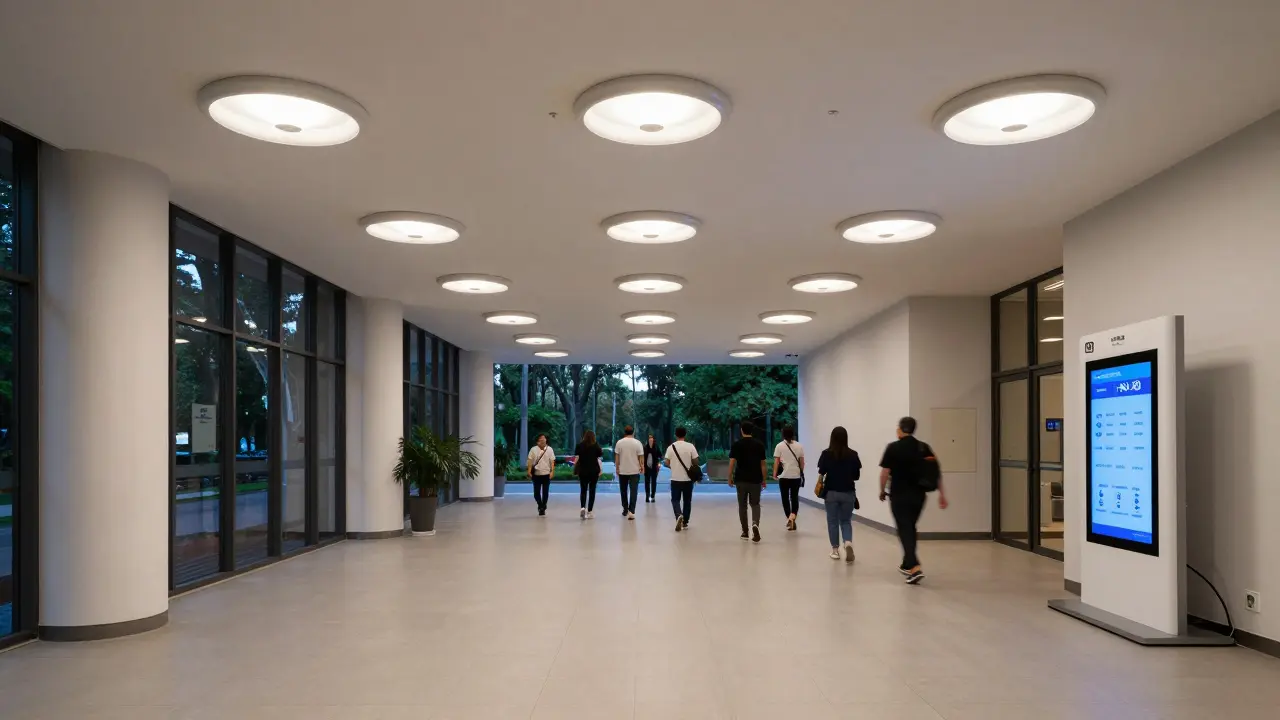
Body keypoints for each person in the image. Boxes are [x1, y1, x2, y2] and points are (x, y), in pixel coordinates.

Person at [879, 416, 948, 584]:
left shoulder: (893, 448)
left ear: (901, 430)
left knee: (905, 529)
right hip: (918, 496)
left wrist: (882, 490)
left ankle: (914, 567)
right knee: (909, 527)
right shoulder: (923, 447)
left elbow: (885, 472)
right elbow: (935, 471)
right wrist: (942, 494)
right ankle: (906, 563)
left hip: (899, 495)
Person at [817, 426, 861, 562]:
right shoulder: (853, 454)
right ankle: (847, 542)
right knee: (846, 521)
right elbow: (856, 476)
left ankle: (835, 551)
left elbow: (821, 472)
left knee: (832, 521)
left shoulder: (826, 454)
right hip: (848, 493)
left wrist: (819, 484)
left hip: (831, 493)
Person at [728, 421, 767, 543]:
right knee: (755, 504)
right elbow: (763, 465)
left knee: (742, 506)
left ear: (741, 431)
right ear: (752, 431)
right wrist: (764, 479)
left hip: (741, 479)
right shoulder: (759, 445)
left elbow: (732, 463)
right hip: (755, 479)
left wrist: (729, 477)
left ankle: (745, 532)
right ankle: (755, 523)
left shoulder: (737, 445)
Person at [663, 427, 700, 532]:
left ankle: (679, 515)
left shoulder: (671, 447)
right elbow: (696, 461)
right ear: (685, 434)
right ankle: (685, 522)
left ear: (675, 435)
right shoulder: (690, 446)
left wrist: (673, 466)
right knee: (687, 501)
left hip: (675, 478)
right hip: (688, 479)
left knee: (675, 500)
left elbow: (666, 462)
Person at [772, 426, 805, 532]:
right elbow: (802, 462)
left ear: (783, 434)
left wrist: (774, 474)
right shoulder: (799, 446)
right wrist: (800, 472)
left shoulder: (779, 446)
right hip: (795, 476)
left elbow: (777, 462)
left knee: (785, 498)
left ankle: (789, 518)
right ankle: (793, 516)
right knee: (794, 497)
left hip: (784, 477)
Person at [614, 426, 644, 519]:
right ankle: (632, 511)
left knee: (623, 491)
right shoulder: (638, 443)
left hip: (623, 470)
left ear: (625, 432)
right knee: (634, 491)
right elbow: (641, 457)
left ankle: (625, 509)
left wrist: (617, 468)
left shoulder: (619, 442)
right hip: (635, 470)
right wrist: (642, 466)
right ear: (633, 432)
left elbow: (617, 457)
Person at [574, 430, 603, 519]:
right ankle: (590, 511)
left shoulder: (579, 446)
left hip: (583, 471)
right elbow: (600, 454)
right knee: (592, 490)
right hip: (594, 471)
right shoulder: (596, 445)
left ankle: (583, 507)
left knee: (583, 490)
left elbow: (577, 456)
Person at [526, 434, 555, 516]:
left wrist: (552, 471)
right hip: (536, 474)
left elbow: (552, 461)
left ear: (546, 440)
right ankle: (540, 505)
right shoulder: (533, 449)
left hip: (546, 474)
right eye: (540, 439)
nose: (542, 440)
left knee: (545, 492)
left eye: (544, 438)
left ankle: (543, 507)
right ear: (537, 441)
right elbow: (530, 460)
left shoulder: (549, 449)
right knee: (536, 493)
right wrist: (529, 470)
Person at [643, 434, 662, 503]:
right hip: (647, 467)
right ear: (648, 439)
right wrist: (643, 467)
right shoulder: (645, 447)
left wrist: (659, 463)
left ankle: (653, 496)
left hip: (654, 467)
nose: (650, 439)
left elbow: (660, 455)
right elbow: (643, 458)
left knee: (654, 482)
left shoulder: (656, 447)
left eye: (652, 438)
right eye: (649, 438)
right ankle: (647, 496)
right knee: (647, 482)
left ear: (654, 439)